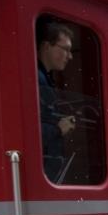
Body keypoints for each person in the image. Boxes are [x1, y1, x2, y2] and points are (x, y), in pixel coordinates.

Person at [36, 21, 76, 182]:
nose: (70, 56)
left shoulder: (44, 79)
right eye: (65, 49)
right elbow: (32, 129)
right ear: (46, 46)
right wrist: (58, 129)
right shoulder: (38, 79)